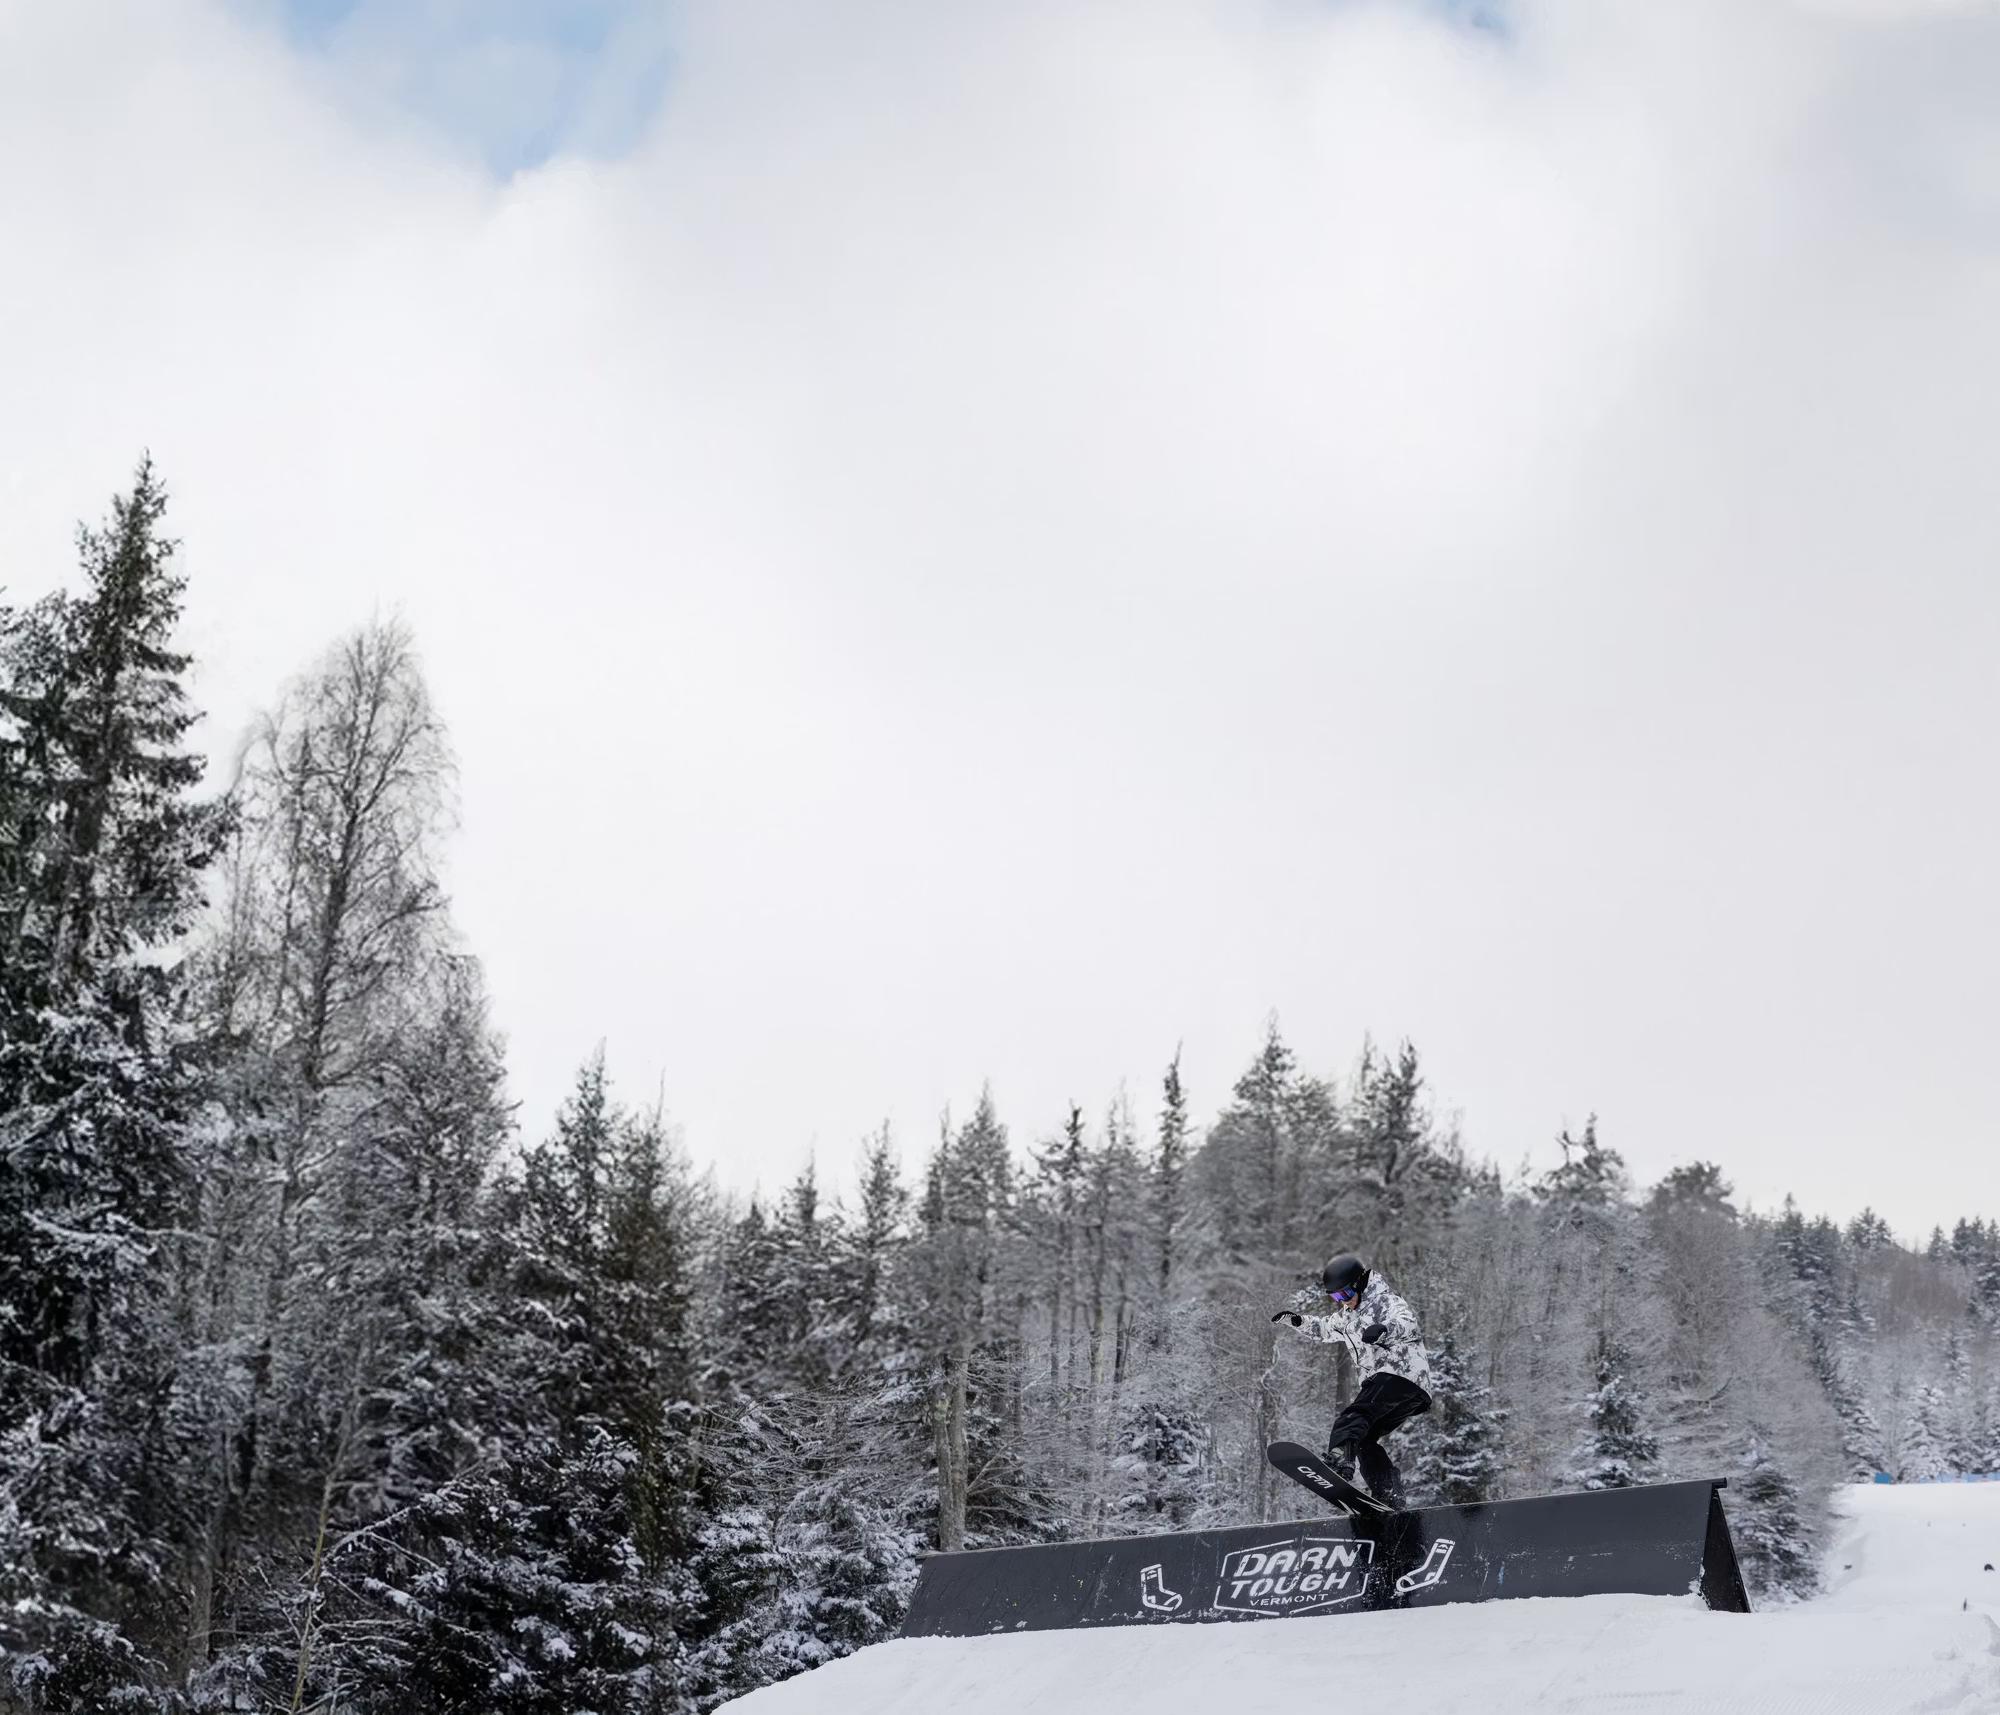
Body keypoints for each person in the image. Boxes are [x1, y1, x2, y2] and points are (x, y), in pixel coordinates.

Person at [1272, 1252, 1433, 1506]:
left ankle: (1339, 1458)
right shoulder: (1346, 1317)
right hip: (1406, 1392)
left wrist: (1385, 1330)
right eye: (1336, 1298)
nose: (1344, 1302)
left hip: (1400, 1373)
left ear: (1359, 1283)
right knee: (1364, 1440)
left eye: (1346, 1294)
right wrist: (1297, 1321)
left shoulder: (1385, 1301)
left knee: (1353, 1417)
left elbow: (1408, 1324)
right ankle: (1389, 1494)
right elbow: (1323, 1328)